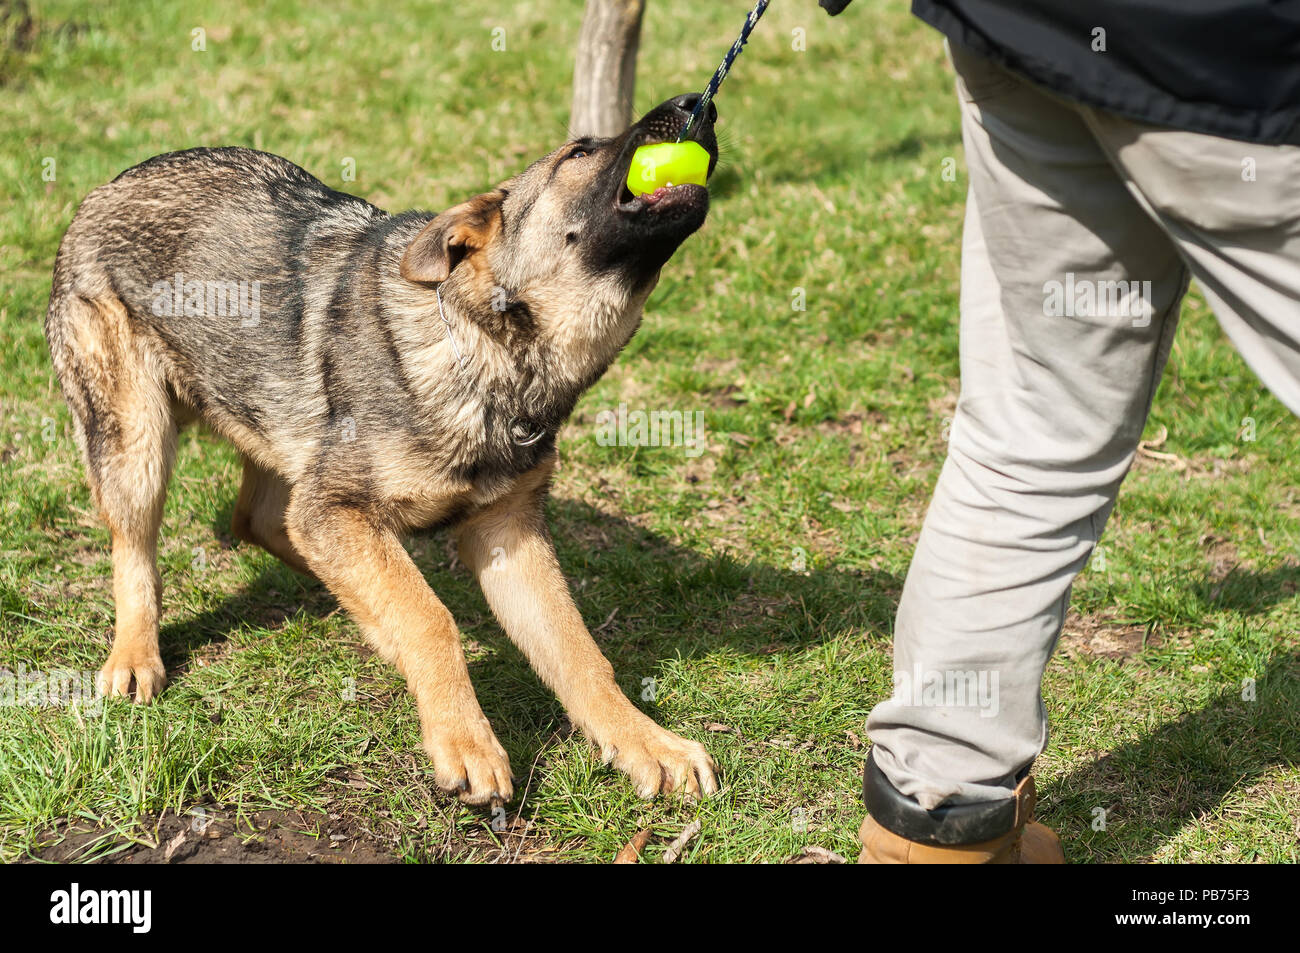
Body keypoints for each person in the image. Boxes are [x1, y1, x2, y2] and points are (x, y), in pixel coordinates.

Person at [815, 0, 1300, 862]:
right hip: (1237, 64)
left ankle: (936, 826)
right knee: (1033, 420)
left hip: (1024, 25)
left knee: (1035, 421)